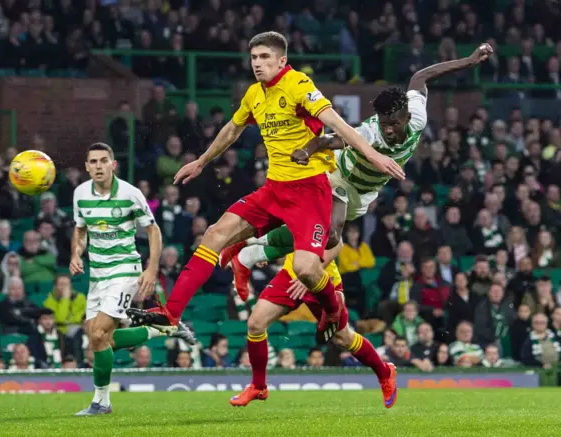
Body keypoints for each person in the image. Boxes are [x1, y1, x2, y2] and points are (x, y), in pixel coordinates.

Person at [127, 31, 405, 344]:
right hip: (274, 190)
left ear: (281, 60)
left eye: (264, 58)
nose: (257, 64)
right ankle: (170, 316)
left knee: (305, 268)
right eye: (254, 58)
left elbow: (337, 124)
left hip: (310, 192)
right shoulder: (254, 94)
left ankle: (333, 309)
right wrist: (202, 161)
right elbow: (232, 129)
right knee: (214, 234)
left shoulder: (299, 85)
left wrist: (373, 154)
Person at [223, 42, 494, 298]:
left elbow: (421, 76)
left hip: (363, 193)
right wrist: (307, 150)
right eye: (384, 123)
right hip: (338, 175)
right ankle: (249, 243)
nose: (387, 129)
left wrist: (468, 62)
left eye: (393, 124)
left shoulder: (418, 116)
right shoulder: (371, 132)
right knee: (331, 234)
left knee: (325, 239)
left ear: (406, 117)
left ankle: (250, 252)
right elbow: (329, 139)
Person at [71, 143, 194, 416]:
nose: (99, 166)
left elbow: (153, 231)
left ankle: (101, 402)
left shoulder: (130, 194)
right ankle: (160, 328)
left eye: (104, 160)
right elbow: (80, 230)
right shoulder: (80, 194)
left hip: (125, 270)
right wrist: (75, 254)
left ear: (113, 164)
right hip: (97, 274)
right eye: (93, 161)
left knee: (100, 333)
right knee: (99, 340)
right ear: (87, 166)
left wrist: (150, 270)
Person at [229, 242, 397, 409]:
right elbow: (286, 234)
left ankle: (384, 373)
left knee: (343, 338)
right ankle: (259, 386)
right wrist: (266, 252)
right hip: (290, 276)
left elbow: (337, 245)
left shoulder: (329, 214)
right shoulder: (290, 213)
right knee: (255, 324)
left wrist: (308, 273)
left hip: (321, 278)